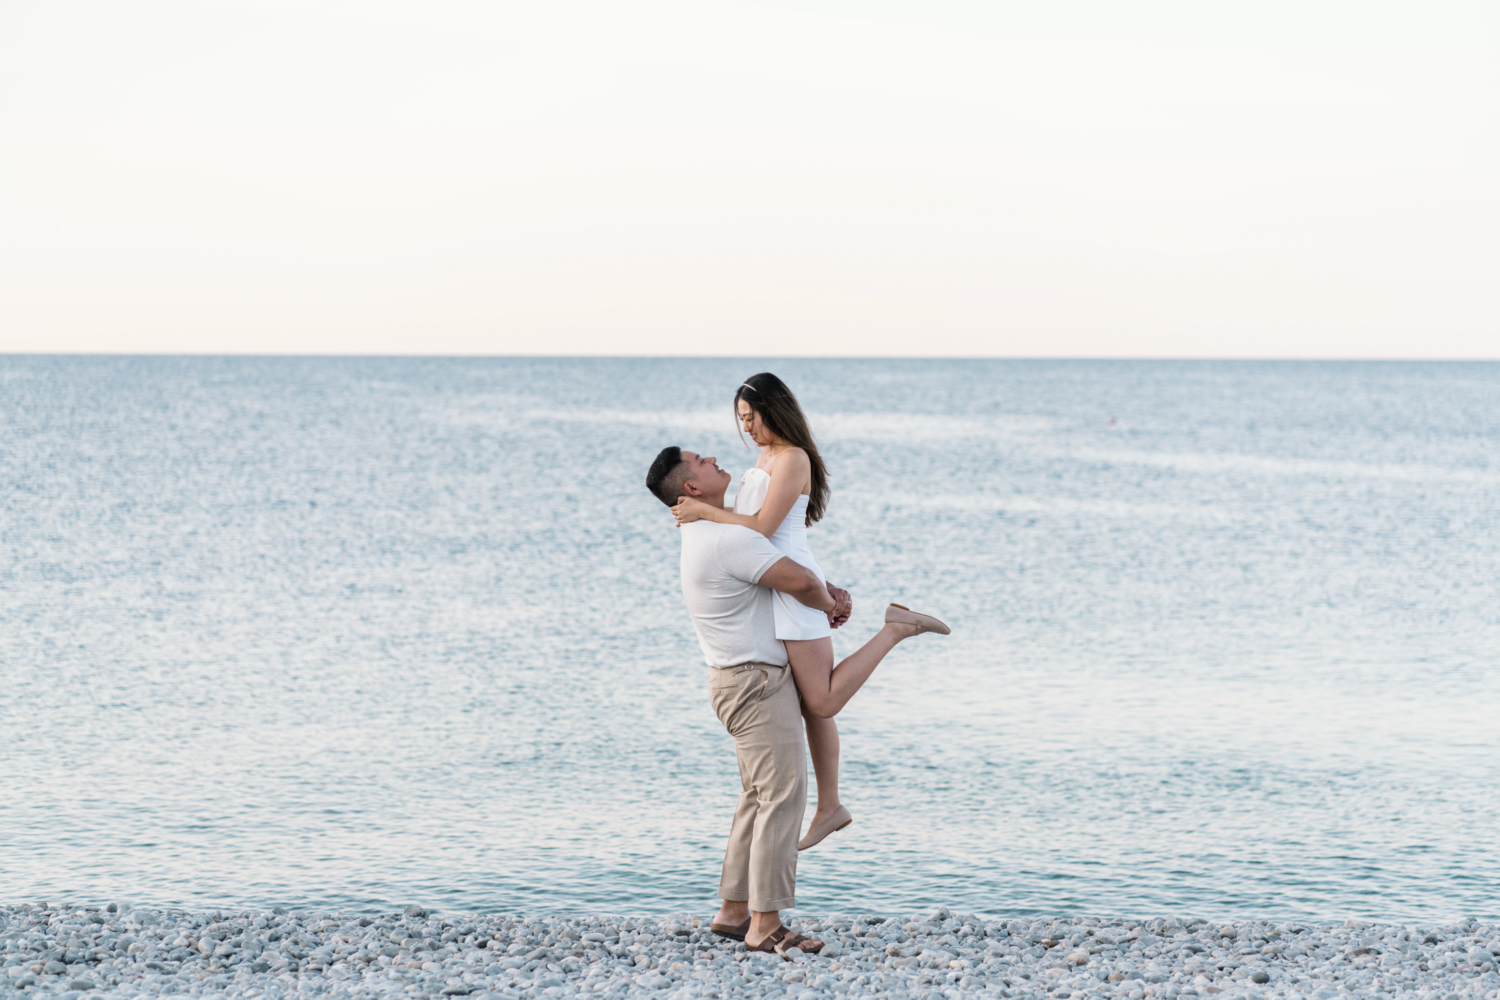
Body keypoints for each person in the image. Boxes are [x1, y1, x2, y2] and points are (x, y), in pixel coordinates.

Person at [646, 445, 948, 957]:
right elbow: (801, 581)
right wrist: (830, 601)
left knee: (758, 798)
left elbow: (783, 578)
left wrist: (821, 593)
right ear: (691, 489)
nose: (714, 456)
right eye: (700, 460)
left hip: (736, 681)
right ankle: (767, 924)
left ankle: (734, 912)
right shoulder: (725, 539)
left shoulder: (710, 534)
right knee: (782, 799)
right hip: (756, 683)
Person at [670, 372, 934, 851]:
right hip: (780, 584)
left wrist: (706, 511)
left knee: (824, 701)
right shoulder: (766, 456)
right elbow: (764, 539)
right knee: (811, 705)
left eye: (751, 418)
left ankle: (896, 628)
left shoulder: (792, 458)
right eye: (741, 421)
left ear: (774, 409)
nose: (746, 429)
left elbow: (761, 528)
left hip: (793, 590)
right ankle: (830, 804)